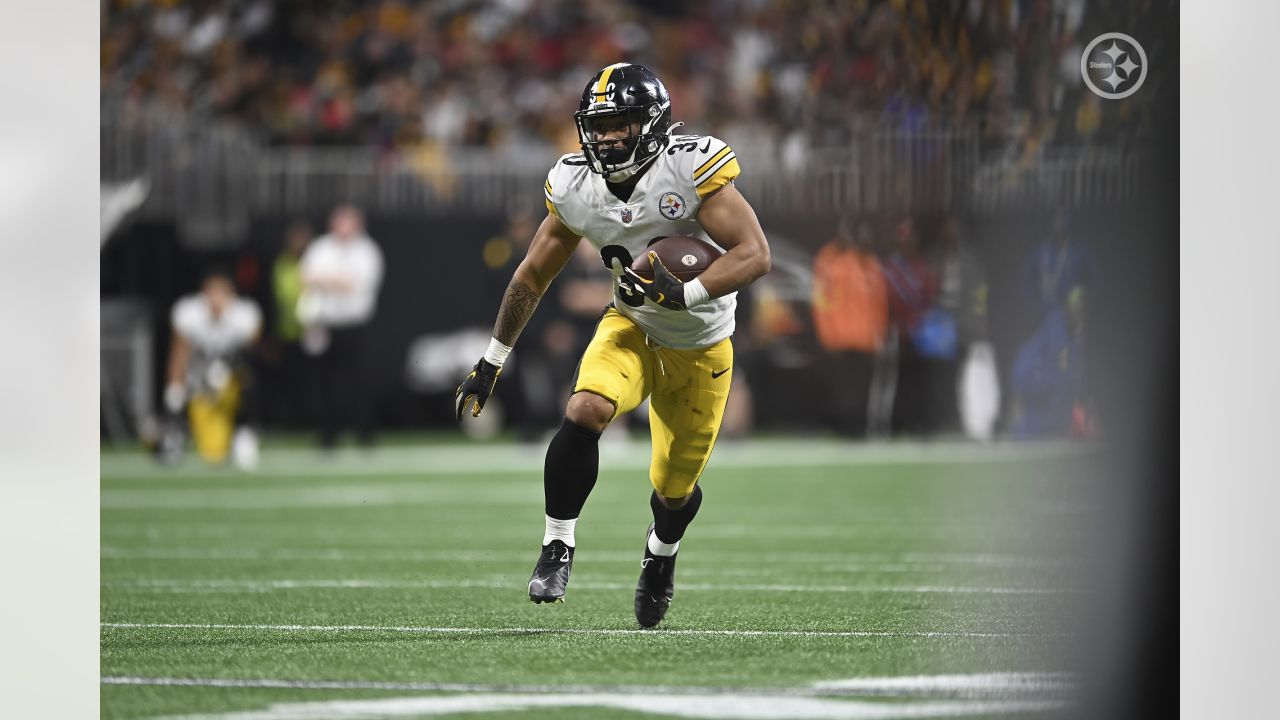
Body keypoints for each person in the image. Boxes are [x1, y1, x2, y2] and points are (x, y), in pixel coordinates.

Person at [454, 63, 771, 628]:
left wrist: (688, 289)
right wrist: (491, 360)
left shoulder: (687, 167)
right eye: (597, 127)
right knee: (585, 407)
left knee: (674, 490)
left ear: (649, 124)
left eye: (618, 124)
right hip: (630, 326)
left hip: (702, 345)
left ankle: (661, 555)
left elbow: (754, 253)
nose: (605, 138)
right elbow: (531, 276)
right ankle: (557, 545)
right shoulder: (576, 184)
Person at [298, 205, 384, 449]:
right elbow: (304, 277)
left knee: (359, 382)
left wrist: (325, 279)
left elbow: (354, 285)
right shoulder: (320, 248)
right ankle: (327, 436)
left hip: (355, 325)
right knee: (325, 383)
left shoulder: (367, 251)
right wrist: (331, 280)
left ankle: (364, 435)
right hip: (325, 325)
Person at [162, 268, 262, 469]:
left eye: (221, 293)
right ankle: (176, 436)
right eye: (212, 292)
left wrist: (225, 372)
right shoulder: (189, 312)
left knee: (251, 377)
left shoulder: (243, 313)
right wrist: (175, 387)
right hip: (198, 377)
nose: (216, 299)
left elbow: (253, 350)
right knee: (212, 451)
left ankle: (244, 432)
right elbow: (179, 352)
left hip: (232, 377)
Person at [810, 217, 888, 437]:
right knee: (842, 387)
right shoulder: (829, 259)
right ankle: (843, 428)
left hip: (865, 339)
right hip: (840, 338)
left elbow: (879, 304)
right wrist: (827, 334)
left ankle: (860, 427)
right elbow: (821, 302)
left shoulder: (869, 264)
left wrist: (878, 334)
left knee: (862, 387)